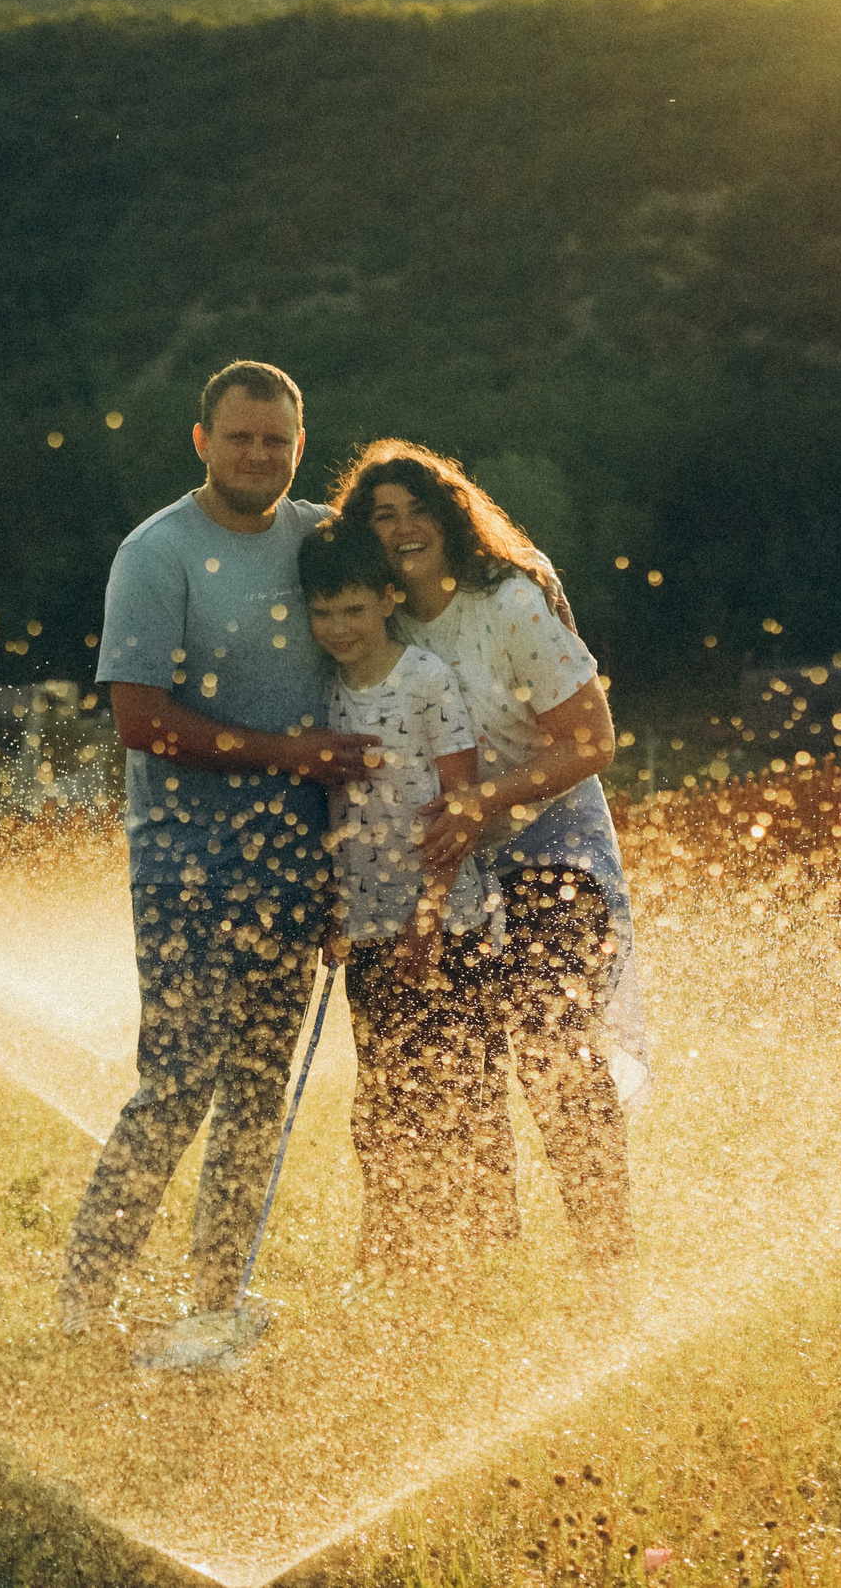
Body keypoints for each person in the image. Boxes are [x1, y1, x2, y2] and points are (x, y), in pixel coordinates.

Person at [58, 360, 378, 1332]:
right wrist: (294, 757)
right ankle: (85, 1297)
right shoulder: (157, 555)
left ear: (299, 445)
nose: (257, 454)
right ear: (203, 442)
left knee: (255, 1097)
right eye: (239, 437)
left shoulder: (328, 542)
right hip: (187, 870)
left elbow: (356, 697)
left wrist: (342, 872)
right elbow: (140, 720)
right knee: (178, 1085)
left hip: (296, 873)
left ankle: (215, 1297)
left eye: (275, 440)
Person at [331, 438, 643, 1267]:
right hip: (451, 862)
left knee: (549, 1035)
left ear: (451, 517)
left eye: (416, 510)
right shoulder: (381, 620)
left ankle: (607, 1254)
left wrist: (486, 800)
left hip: (551, 839)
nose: (401, 529)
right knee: (449, 1060)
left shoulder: (506, 603)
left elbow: (594, 741)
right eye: (381, 516)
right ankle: (475, 1256)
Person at [297, 522, 500, 1277]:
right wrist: (333, 910)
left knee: (459, 1089)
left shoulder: (425, 679)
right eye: (323, 613)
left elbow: (459, 804)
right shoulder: (323, 689)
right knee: (383, 1096)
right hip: (370, 926)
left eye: (352, 609)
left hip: (445, 924)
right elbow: (332, 815)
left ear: (387, 598)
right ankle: (389, 1244)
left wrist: (429, 921)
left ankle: (473, 1253)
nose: (338, 628)